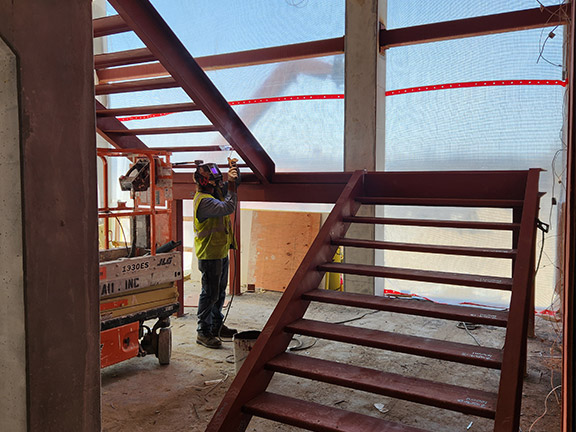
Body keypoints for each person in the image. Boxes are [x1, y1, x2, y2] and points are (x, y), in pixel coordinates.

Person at [193, 161, 240, 348]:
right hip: (209, 254)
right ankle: (203, 332)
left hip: (219, 250)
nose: (219, 184)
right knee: (209, 294)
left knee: (219, 293)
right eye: (216, 181)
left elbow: (229, 189)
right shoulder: (204, 201)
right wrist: (232, 186)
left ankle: (216, 326)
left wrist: (234, 174)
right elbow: (228, 207)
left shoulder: (214, 194)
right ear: (205, 182)